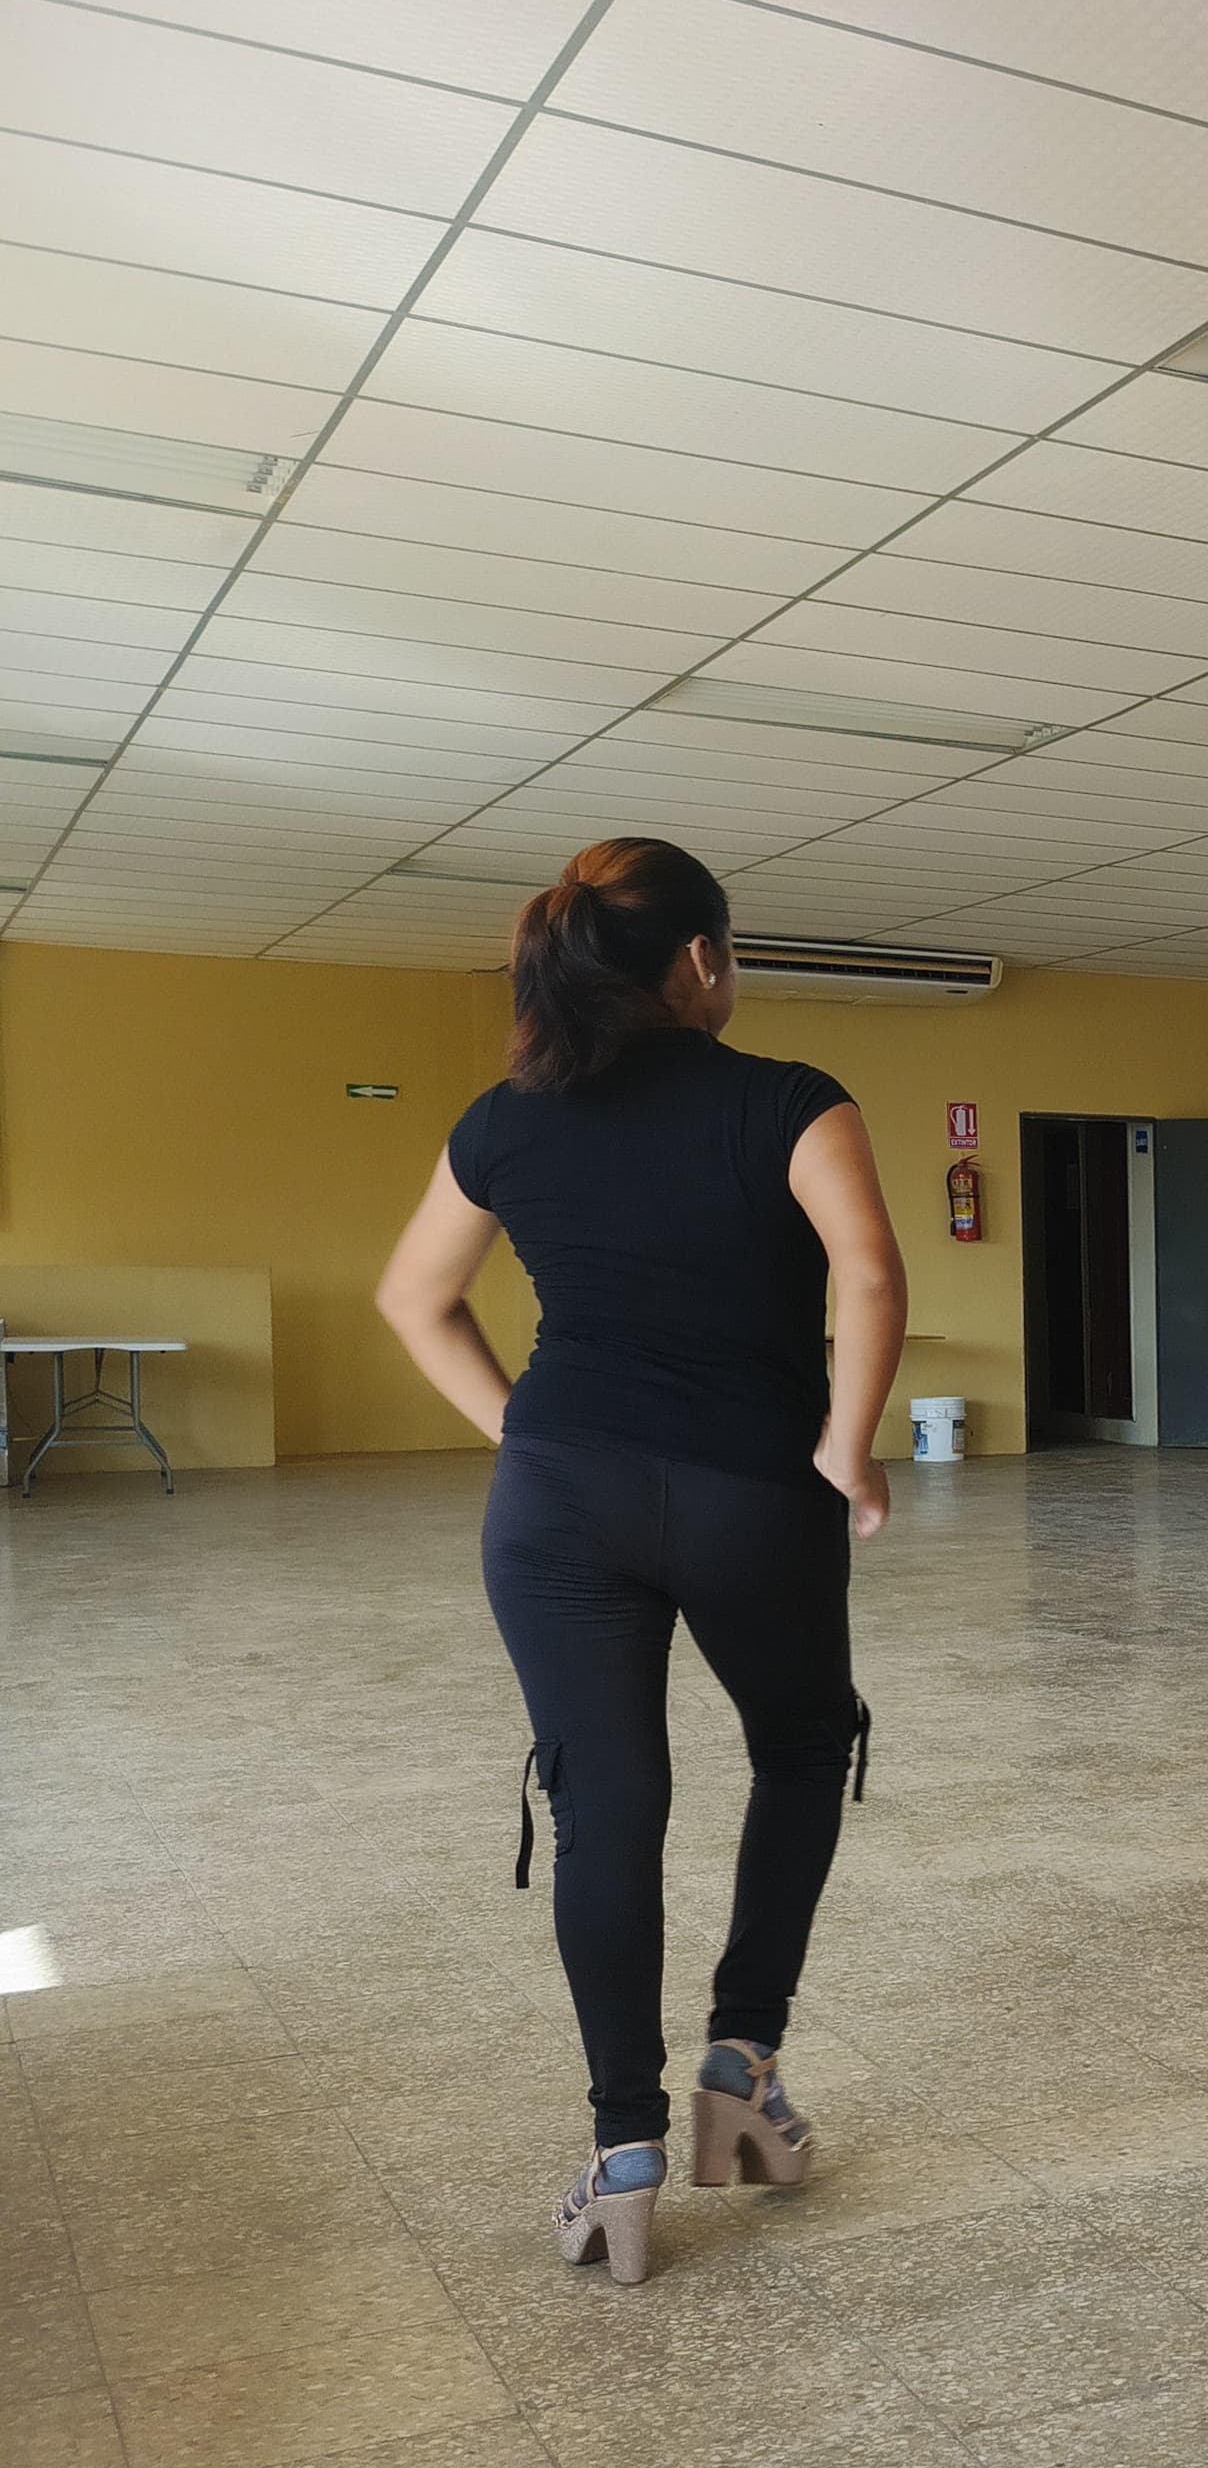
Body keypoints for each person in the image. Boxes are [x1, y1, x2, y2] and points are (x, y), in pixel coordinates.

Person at [377, 838, 905, 2286]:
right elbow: (868, 1272)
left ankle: (623, 2155)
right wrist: (849, 1449)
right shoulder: (790, 1100)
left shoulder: (505, 1119)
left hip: (559, 1500)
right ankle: (744, 2067)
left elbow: (414, 1298)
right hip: (753, 1493)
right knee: (800, 1745)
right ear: (701, 960)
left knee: (604, 1805)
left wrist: (524, 1435)